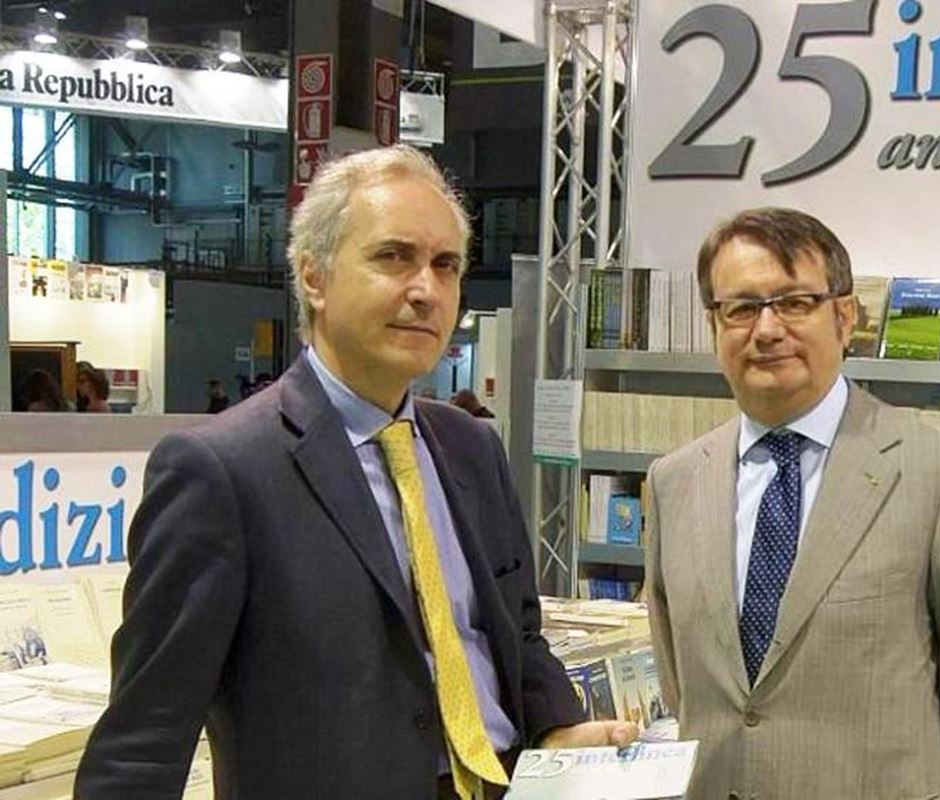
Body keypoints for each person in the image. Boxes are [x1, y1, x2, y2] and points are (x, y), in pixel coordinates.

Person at [75, 145, 634, 800]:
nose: (426, 290)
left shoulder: (473, 448)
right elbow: (146, 735)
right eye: (394, 257)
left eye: (446, 265)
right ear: (314, 277)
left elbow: (518, 634)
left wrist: (558, 726)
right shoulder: (221, 472)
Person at [644, 208, 940, 799]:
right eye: (741, 308)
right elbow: (682, 683)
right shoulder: (673, 482)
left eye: (795, 302)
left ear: (845, 317)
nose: (767, 329)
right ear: (713, 325)